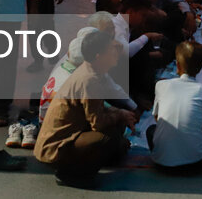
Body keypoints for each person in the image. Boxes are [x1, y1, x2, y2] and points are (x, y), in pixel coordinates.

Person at [34, 30, 136, 188]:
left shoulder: (91, 70)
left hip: (66, 136)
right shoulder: (90, 80)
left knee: (117, 126)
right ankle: (72, 174)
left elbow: (98, 109)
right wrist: (120, 115)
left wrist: (120, 113)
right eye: (111, 50)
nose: (115, 52)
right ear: (98, 56)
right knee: (108, 136)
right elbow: (98, 123)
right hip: (55, 148)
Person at [148, 41, 202, 172]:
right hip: (195, 164)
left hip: (161, 163)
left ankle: (168, 152)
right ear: (200, 67)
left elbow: (158, 119)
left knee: (151, 130)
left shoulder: (161, 85)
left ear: (178, 66)